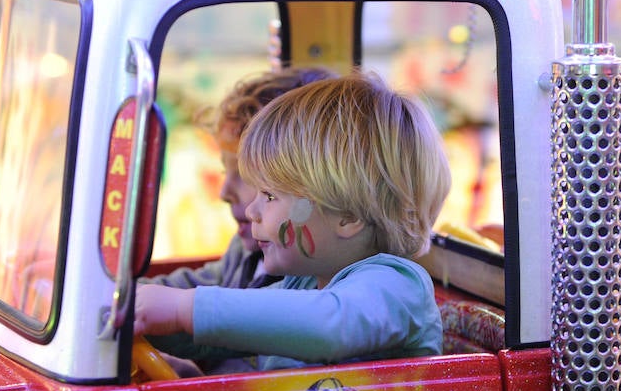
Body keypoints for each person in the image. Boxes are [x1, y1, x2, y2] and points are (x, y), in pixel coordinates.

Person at [134, 72, 452, 372]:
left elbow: (330, 324)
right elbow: (221, 339)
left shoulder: (397, 286)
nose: (252, 211)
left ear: (348, 216)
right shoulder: (302, 283)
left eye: (270, 196)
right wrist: (147, 322)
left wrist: (182, 308)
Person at [141, 66, 336, 374]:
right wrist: (119, 293)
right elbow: (199, 286)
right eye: (225, 171)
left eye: (246, 176)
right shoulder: (247, 250)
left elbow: (251, 322)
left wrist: (177, 312)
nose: (224, 191)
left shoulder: (314, 281)